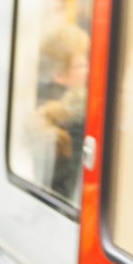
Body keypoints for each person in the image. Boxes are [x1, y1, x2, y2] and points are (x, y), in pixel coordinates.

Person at [28, 24, 90, 200]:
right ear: (58, 75)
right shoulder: (74, 119)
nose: (89, 70)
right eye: (81, 66)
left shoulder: (45, 108)